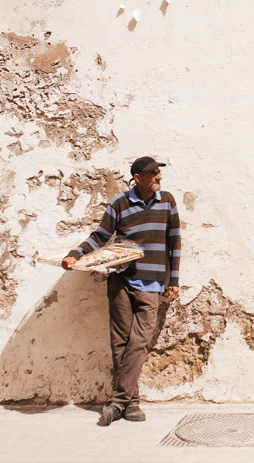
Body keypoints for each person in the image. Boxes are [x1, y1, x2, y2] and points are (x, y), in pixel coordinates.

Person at [63, 156, 181, 426]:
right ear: (137, 178)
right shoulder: (120, 204)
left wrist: (173, 278)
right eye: (152, 174)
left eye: (158, 173)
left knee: (139, 342)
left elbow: (174, 241)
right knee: (120, 342)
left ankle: (117, 402)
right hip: (121, 281)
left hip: (152, 283)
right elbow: (100, 236)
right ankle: (132, 403)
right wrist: (75, 255)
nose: (158, 178)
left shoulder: (167, 202)